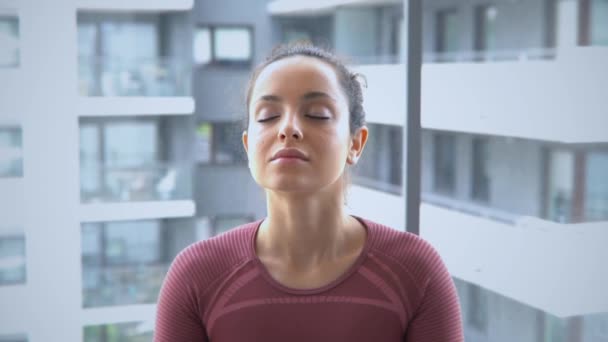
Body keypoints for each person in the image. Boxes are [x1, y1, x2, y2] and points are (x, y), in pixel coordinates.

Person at [154, 43, 464, 341]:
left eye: (316, 114)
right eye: (267, 116)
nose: (288, 129)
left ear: (355, 143)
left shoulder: (415, 271)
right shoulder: (196, 276)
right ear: (248, 148)